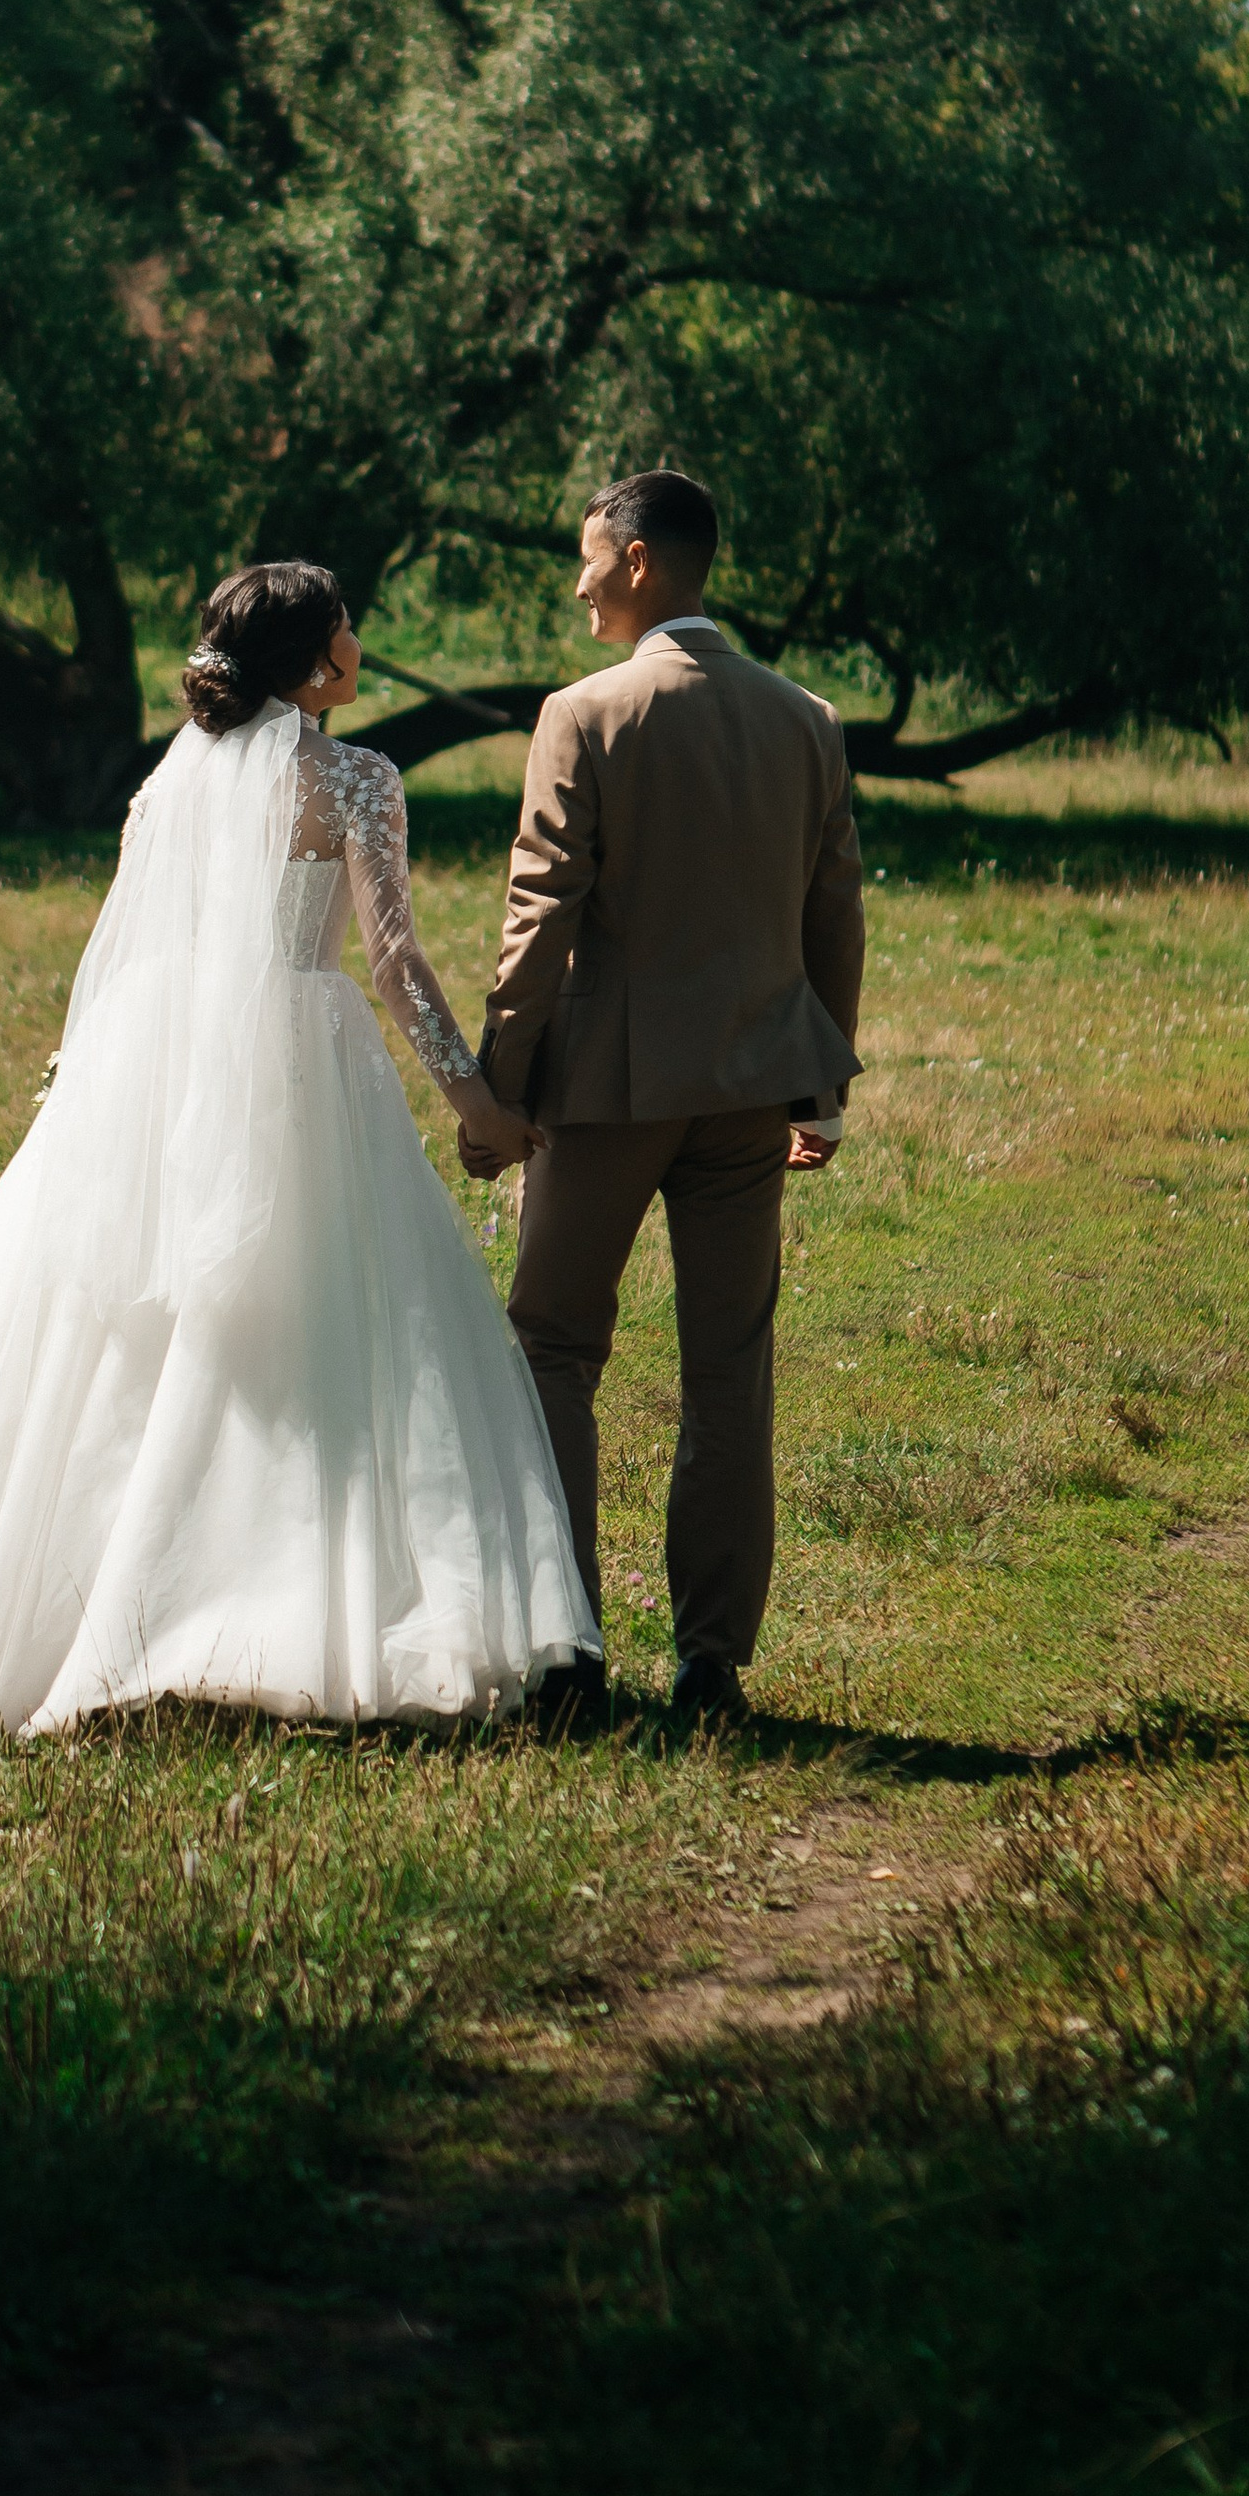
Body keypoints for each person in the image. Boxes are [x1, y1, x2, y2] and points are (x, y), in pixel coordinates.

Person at [0, 560, 597, 1738]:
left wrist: (91, 1081)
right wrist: (475, 1101)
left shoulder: (165, 787)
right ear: (321, 657)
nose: (359, 643)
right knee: (305, 1326)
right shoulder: (354, 778)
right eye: (348, 626)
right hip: (292, 1058)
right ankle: (275, 1601)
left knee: (127, 1323)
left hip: (158, 1057)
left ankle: (82, 1608)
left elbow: (129, 952)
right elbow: (390, 963)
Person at [464, 472, 865, 1734]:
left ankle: (567, 1651)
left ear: (637, 562)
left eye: (588, 559)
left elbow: (541, 913)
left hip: (609, 1093)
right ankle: (710, 1665)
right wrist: (824, 1082)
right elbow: (832, 906)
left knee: (551, 1350)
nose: (578, 582)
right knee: (727, 1370)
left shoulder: (583, 714)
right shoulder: (804, 716)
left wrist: (496, 1089)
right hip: (753, 1089)